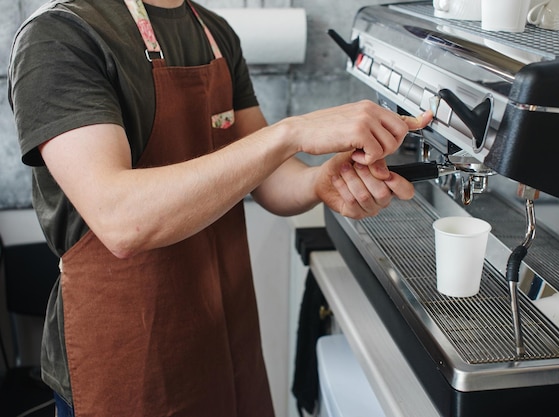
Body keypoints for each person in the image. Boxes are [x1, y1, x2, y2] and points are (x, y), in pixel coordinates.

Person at [8, 0, 433, 416]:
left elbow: (268, 175)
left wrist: (318, 182)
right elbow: (121, 220)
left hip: (223, 342)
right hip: (126, 360)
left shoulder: (214, 32)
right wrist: (292, 132)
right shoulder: (61, 35)